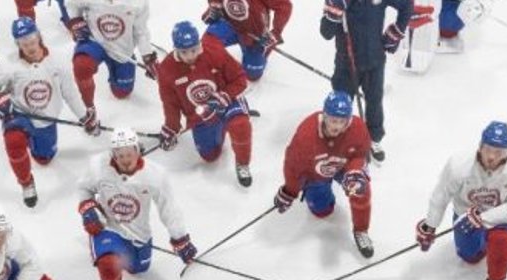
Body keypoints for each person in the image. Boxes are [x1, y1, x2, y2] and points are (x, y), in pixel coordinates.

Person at [415, 121, 507, 280]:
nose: (492, 156)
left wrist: (483, 219)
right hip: (465, 215)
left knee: (501, 240)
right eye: (488, 149)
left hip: (502, 218)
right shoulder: (459, 164)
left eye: (499, 151)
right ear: (480, 145)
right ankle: (488, 245)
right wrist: (430, 226)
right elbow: (441, 196)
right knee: (470, 257)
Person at [75, 129, 196, 280]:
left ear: (138, 150)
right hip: (108, 228)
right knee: (108, 263)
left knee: (139, 269)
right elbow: (83, 188)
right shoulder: (98, 167)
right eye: (119, 155)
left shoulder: (155, 175)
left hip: (139, 234)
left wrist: (180, 238)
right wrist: (88, 208)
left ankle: (123, 255)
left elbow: (169, 208)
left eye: (129, 153)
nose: (125, 159)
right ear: (112, 154)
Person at [0, 17, 99, 208]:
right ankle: (26, 183)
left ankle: (35, 144)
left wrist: (84, 116)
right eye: (23, 43)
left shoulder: (58, 60)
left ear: (39, 36)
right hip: (19, 115)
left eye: (31, 40)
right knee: (14, 141)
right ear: (17, 43)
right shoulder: (8, 63)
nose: (29, 46)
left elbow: (69, 92)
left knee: (44, 158)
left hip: (46, 120)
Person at [273, 90, 376, 257]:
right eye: (333, 120)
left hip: (345, 167)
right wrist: (290, 191)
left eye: (342, 121)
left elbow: (360, 154)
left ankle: (361, 230)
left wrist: (355, 170)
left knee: (360, 190)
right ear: (325, 116)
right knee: (322, 211)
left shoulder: (357, 128)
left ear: (348, 120)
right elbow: (292, 165)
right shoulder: (306, 135)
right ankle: (322, 195)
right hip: (315, 172)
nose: (336, 126)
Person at [155, 21, 254, 187]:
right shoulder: (166, 70)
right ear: (176, 49)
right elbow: (170, 104)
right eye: (184, 52)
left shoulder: (214, 51)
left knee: (240, 125)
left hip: (227, 101)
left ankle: (243, 164)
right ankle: (222, 126)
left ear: (199, 44)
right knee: (210, 156)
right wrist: (171, 128)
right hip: (200, 114)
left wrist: (224, 96)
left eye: (194, 50)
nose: (190, 56)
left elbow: (240, 78)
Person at [320, 0, 413, 161]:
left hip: (374, 62)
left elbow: (407, 5)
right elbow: (326, 33)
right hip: (346, 64)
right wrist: (335, 10)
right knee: (341, 104)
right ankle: (339, 139)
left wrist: (394, 34)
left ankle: (374, 138)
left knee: (374, 102)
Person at [66, 0, 155, 110]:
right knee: (82, 65)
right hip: (94, 40)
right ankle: (88, 109)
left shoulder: (138, 3)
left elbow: (141, 32)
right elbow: (71, 3)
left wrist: (148, 56)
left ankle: (118, 72)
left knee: (121, 93)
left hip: (121, 49)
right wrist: (76, 20)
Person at [200, 0, 293, 80]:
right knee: (207, 45)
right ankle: (210, 65)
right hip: (230, 25)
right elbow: (215, 4)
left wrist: (275, 32)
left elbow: (284, 6)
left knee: (253, 74)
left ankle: (258, 55)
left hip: (255, 34)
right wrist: (212, 12)